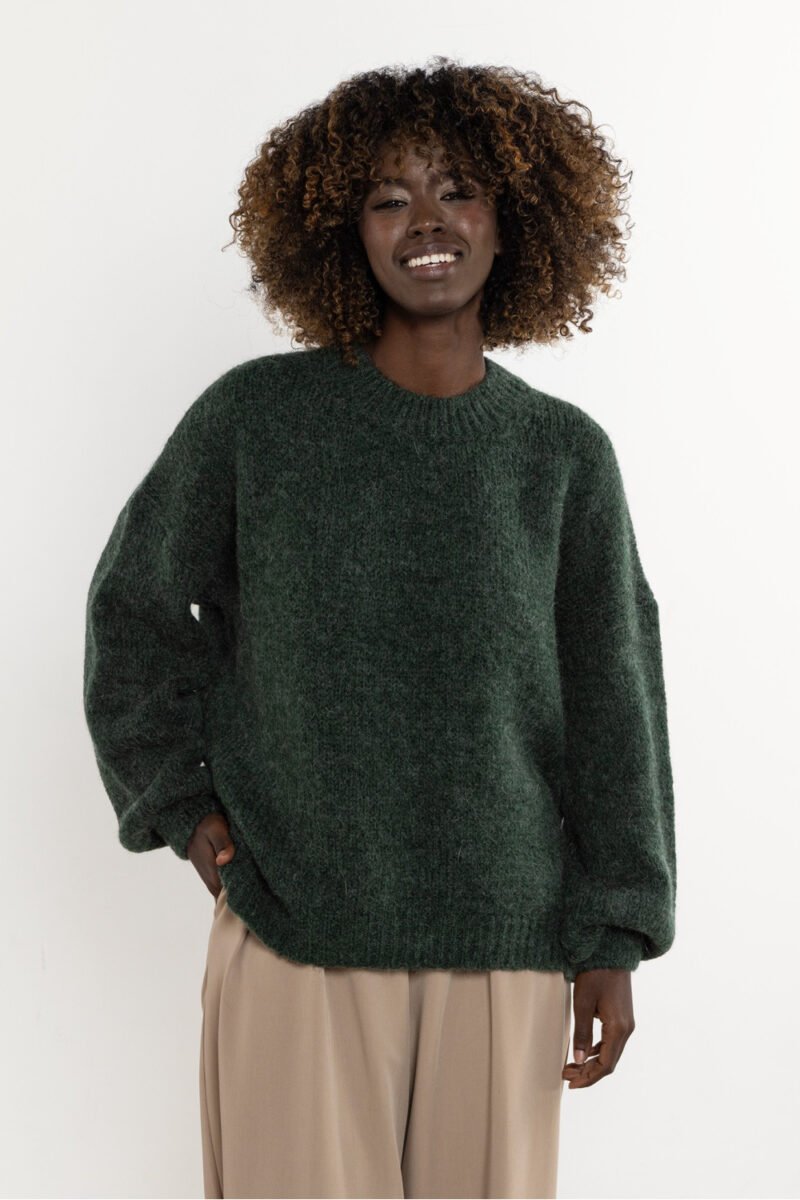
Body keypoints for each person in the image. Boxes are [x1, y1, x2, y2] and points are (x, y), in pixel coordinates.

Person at [83, 56, 676, 1200]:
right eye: (387, 198)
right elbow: (135, 611)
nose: (425, 223)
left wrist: (615, 933)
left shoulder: (560, 456)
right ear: (342, 231)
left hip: (506, 943)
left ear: (513, 219)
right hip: (295, 924)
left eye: (458, 191)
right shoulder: (256, 421)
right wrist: (182, 810)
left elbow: (615, 700)